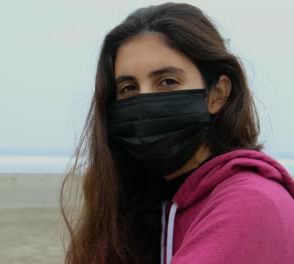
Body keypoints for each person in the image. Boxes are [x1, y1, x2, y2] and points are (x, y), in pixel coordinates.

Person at [60, 2, 294, 264]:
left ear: (217, 94)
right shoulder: (143, 204)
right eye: (128, 88)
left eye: (167, 82)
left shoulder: (251, 201)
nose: (145, 102)